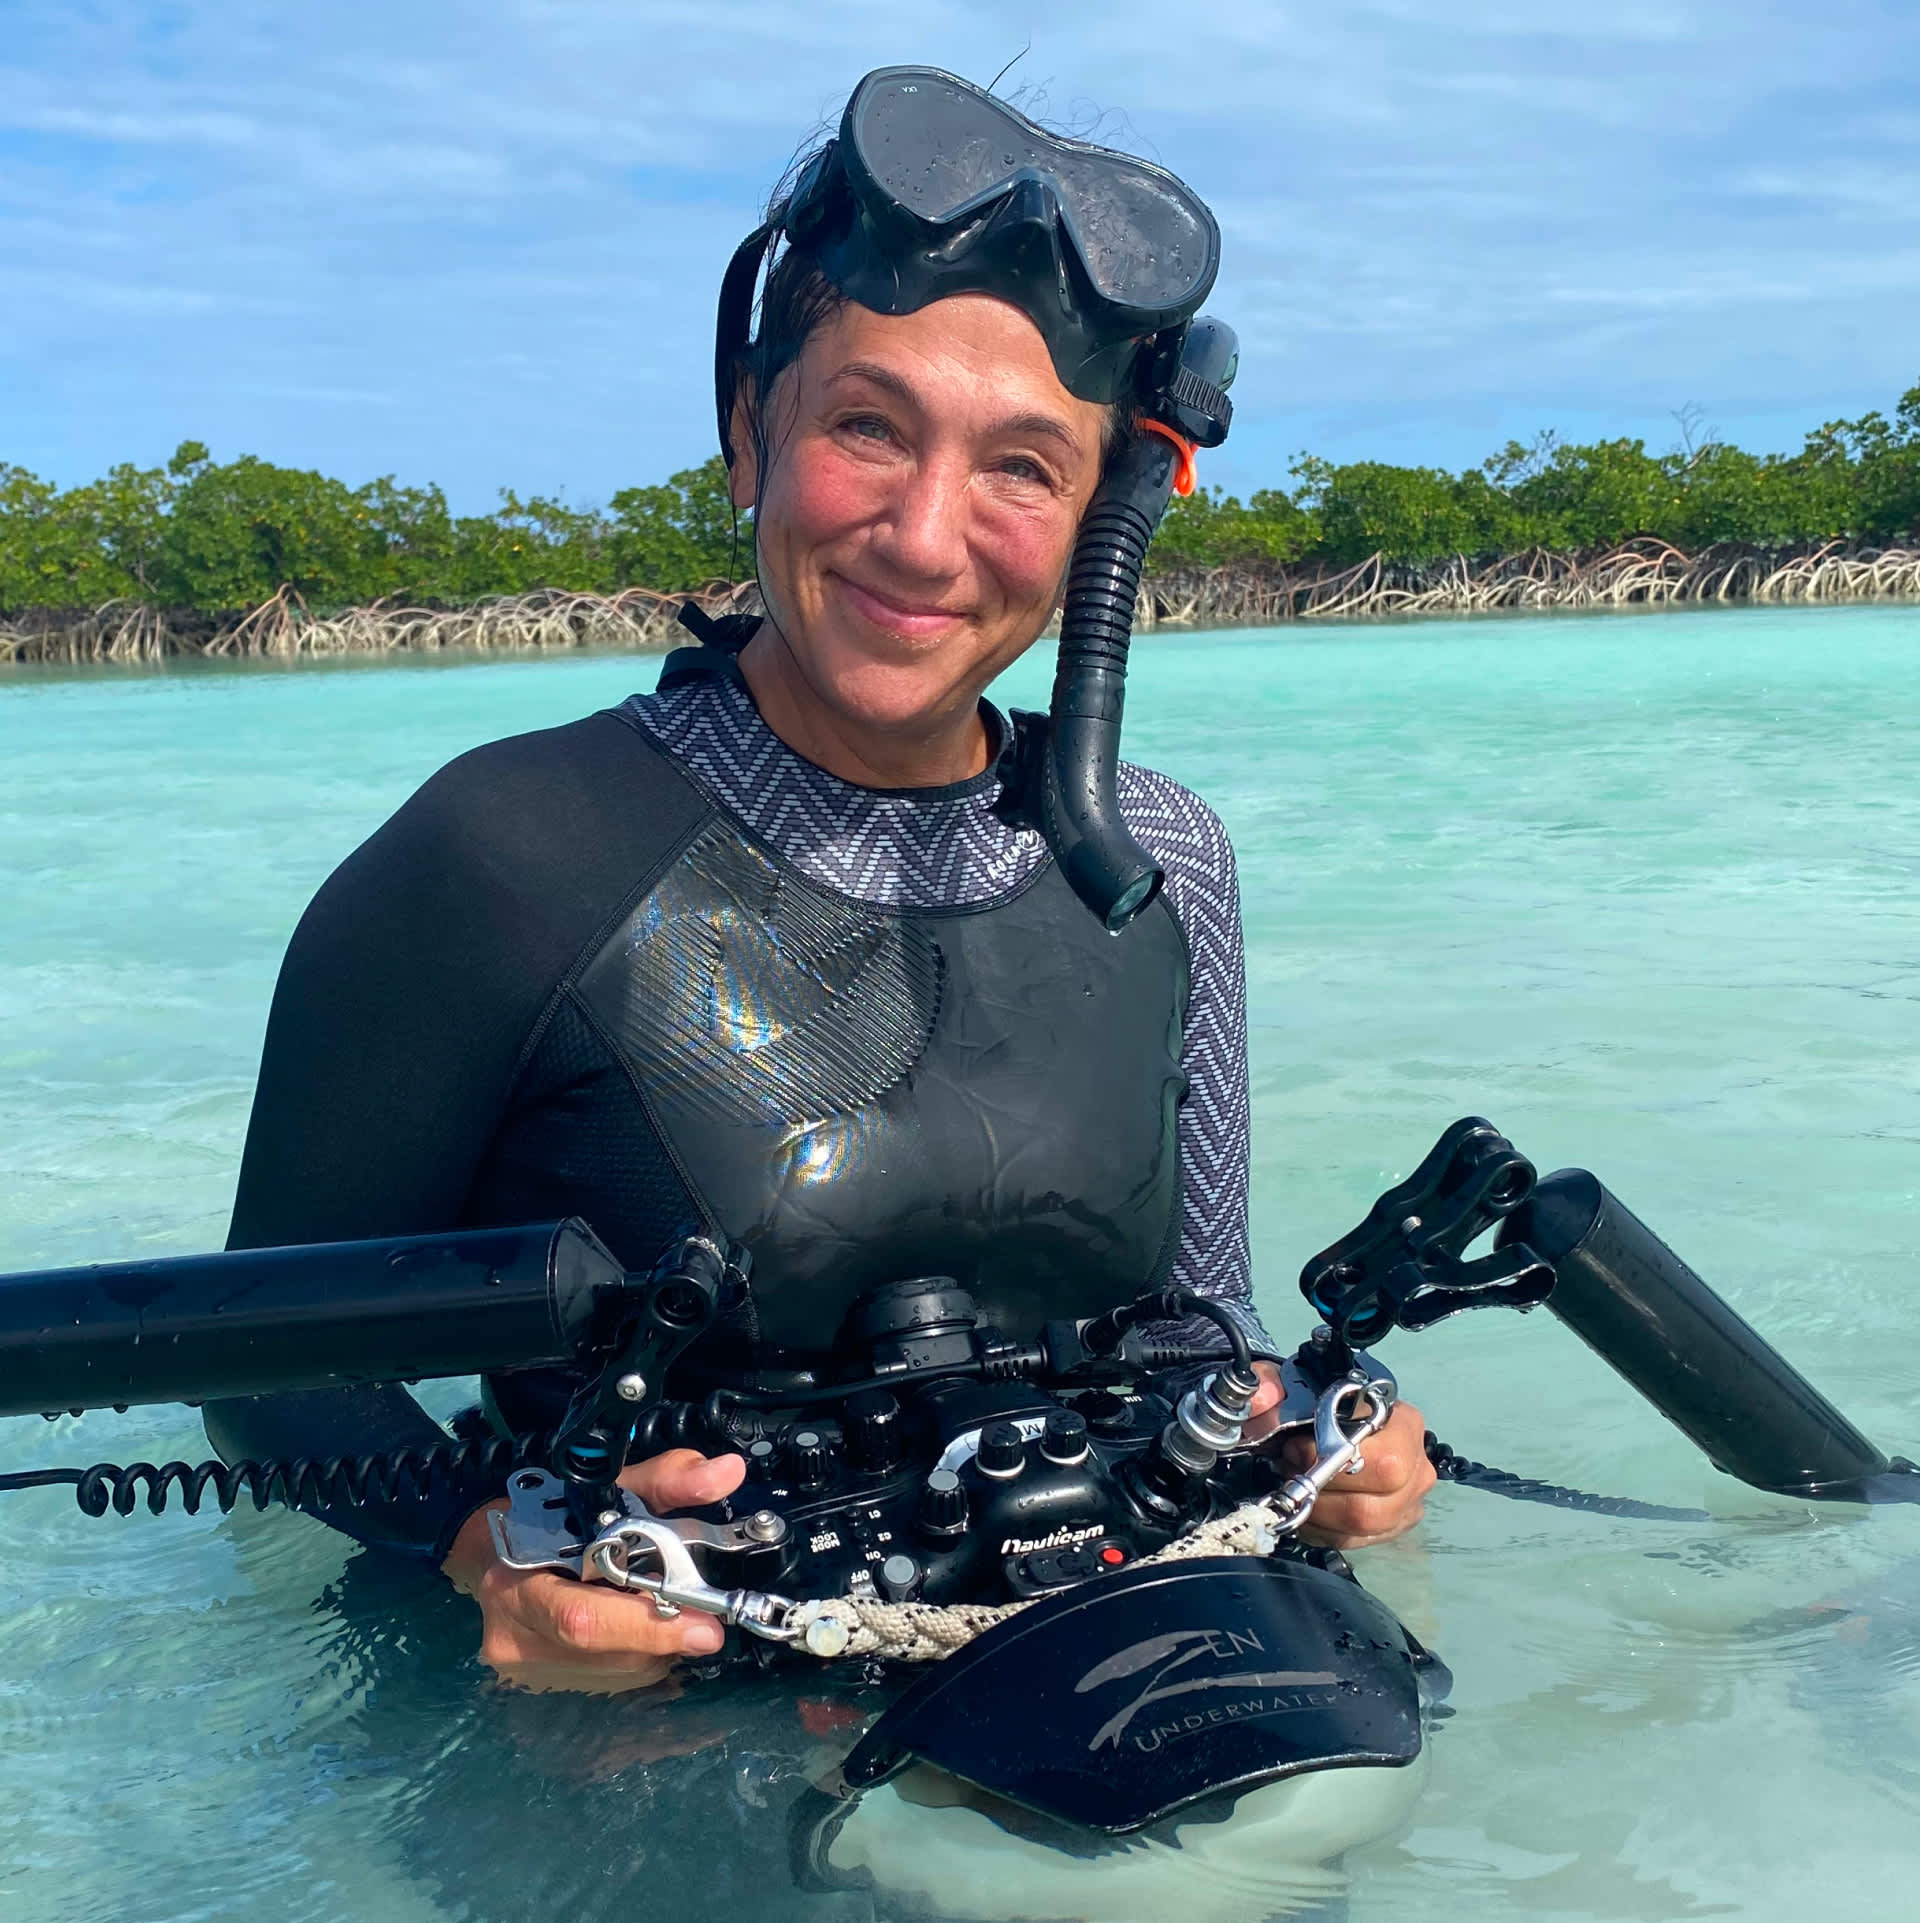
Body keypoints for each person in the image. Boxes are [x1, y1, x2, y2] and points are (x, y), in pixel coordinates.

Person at [206, 65, 1434, 1690]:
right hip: (644, 1700)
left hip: (1104, 1641)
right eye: (869, 427)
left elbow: (1201, 1332)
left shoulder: (1162, 860)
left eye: (1022, 466)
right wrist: (474, 1547)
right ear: (749, 432)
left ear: (1106, 518)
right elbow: (265, 1368)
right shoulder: (505, 851)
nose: (925, 537)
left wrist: (1317, 1445)